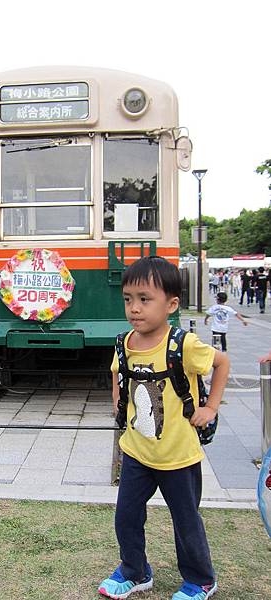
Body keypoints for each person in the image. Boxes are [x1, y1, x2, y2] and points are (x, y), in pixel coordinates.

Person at [98, 256, 229, 600]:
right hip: (137, 451)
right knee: (126, 516)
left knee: (186, 522)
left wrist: (210, 407)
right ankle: (135, 571)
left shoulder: (182, 344)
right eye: (128, 299)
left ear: (171, 304)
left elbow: (221, 362)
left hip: (178, 457)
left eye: (144, 299)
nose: (134, 309)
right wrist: (117, 402)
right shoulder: (124, 343)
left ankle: (201, 580)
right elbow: (117, 371)